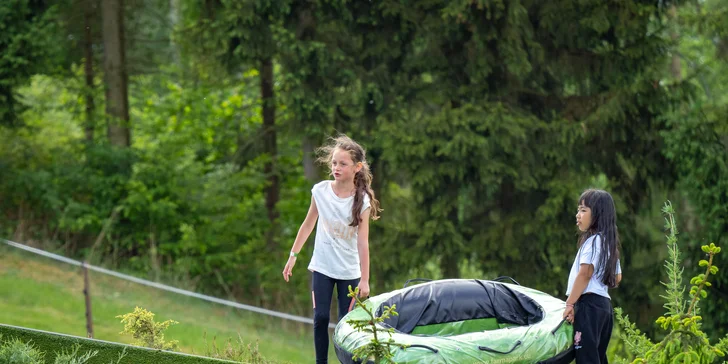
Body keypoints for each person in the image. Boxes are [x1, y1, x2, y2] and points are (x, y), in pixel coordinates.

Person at [282, 134, 381, 364]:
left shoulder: (362, 200)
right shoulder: (320, 191)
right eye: (334, 163)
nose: (336, 167)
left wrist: (364, 280)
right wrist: (293, 255)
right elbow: (308, 224)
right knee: (321, 318)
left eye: (342, 164)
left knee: (345, 328)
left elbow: (362, 242)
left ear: (357, 167)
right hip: (323, 268)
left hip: (349, 273)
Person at [563, 189, 623, 363]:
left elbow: (585, 274)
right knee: (597, 357)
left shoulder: (592, 242)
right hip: (604, 308)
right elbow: (617, 277)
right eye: (578, 210)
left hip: (589, 307)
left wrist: (570, 303)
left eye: (583, 210)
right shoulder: (608, 245)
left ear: (598, 215)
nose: (578, 215)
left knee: (586, 358)